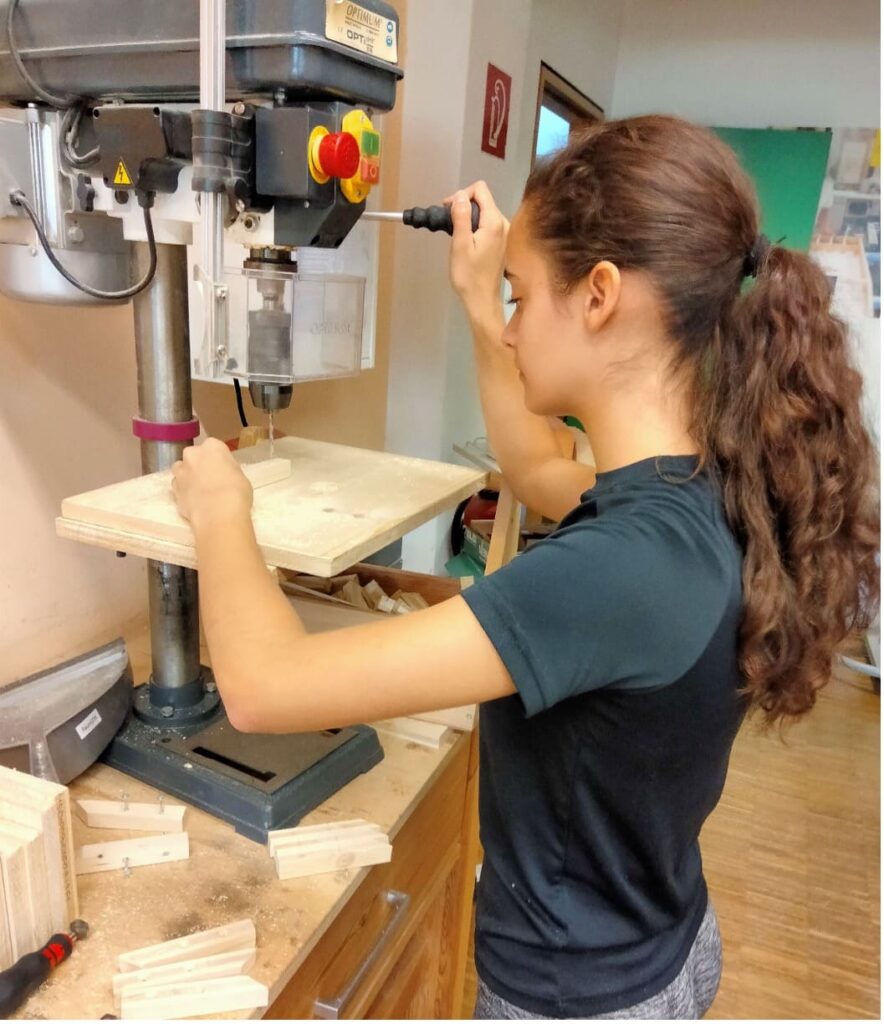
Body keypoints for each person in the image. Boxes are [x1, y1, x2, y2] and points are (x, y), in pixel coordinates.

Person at [171, 115, 880, 1019]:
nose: (511, 333)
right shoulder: (711, 486)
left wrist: (222, 507)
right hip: (661, 937)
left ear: (599, 296)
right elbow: (542, 473)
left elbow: (265, 687)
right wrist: (479, 301)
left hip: (575, 996)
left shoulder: (621, 571)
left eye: (522, 296)